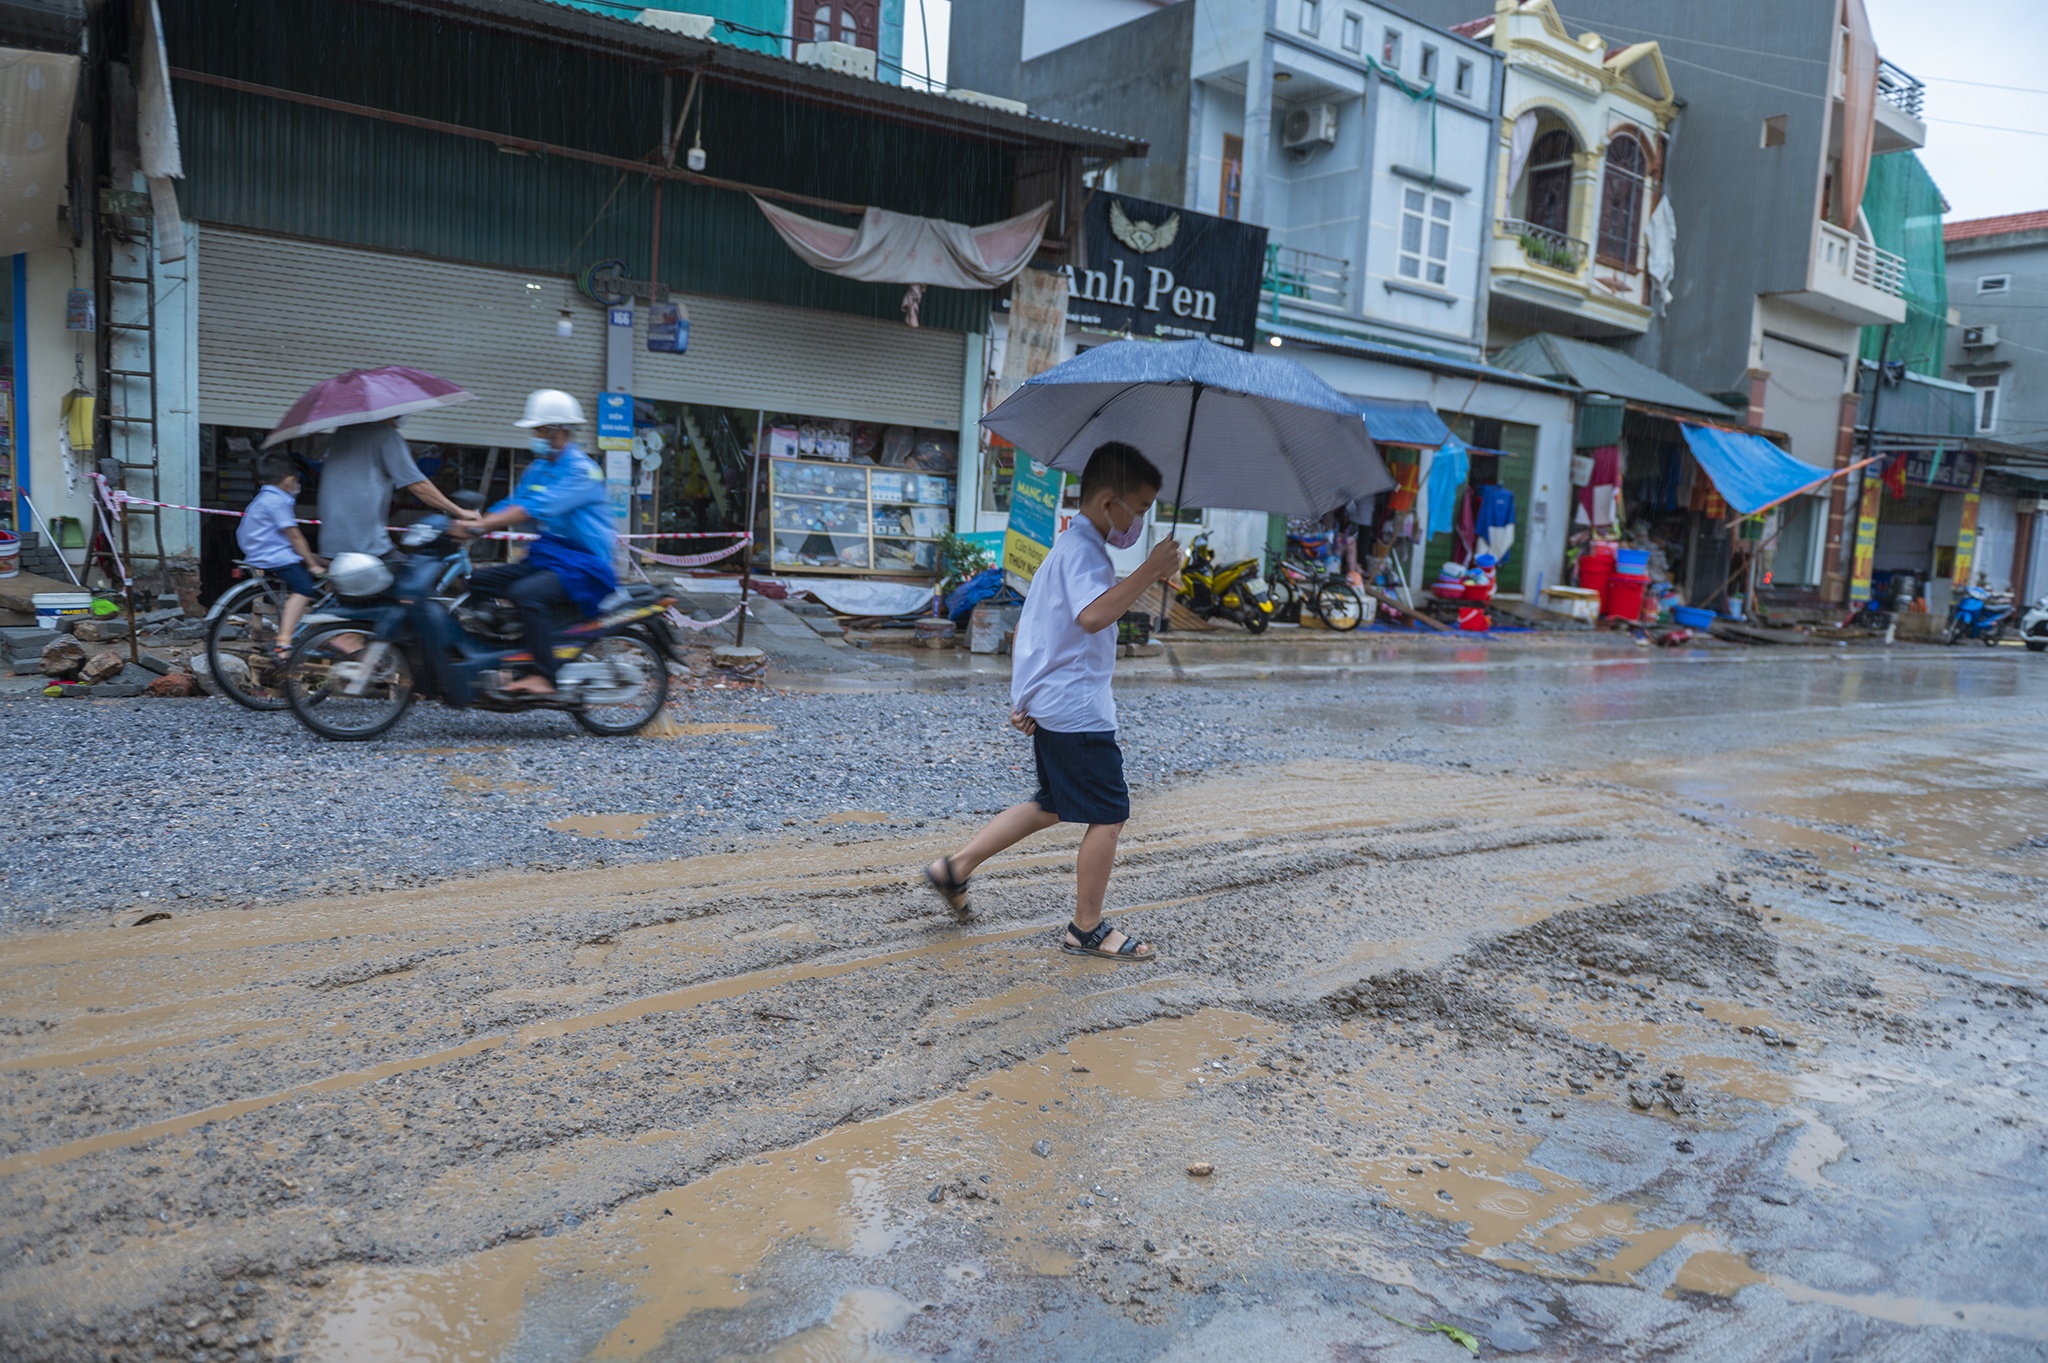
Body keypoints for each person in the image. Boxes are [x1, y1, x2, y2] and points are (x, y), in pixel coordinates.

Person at [923, 442, 1184, 961]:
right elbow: (1090, 617)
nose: (1140, 522)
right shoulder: (1085, 552)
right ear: (1110, 502)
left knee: (1053, 803)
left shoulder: (1066, 548)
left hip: (1055, 704)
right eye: (1139, 508)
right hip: (1079, 710)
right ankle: (1086, 928)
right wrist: (1150, 572)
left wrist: (1025, 696)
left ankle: (954, 868)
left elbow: (1035, 628)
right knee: (1108, 814)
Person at [452, 389, 617, 698]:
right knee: (479, 580)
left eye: (540, 429)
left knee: (526, 595)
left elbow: (536, 507)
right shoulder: (539, 467)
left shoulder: (582, 471)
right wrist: (476, 522)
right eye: (536, 429)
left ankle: (544, 676)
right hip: (553, 555)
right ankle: (499, 652)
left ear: (560, 430)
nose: (536, 435)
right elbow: (514, 503)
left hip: (587, 563)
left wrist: (483, 526)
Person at [315, 417, 474, 561]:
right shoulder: (386, 435)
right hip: (365, 544)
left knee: (341, 589)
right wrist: (459, 511)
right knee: (408, 582)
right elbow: (417, 485)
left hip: (331, 541)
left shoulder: (342, 432)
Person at [235, 454, 324, 659]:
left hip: (261, 551)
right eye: (296, 480)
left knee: (320, 561)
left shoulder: (264, 498)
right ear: (289, 479)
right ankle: (283, 640)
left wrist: (316, 559)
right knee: (304, 588)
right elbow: (294, 535)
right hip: (273, 555)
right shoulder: (277, 501)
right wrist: (312, 564)